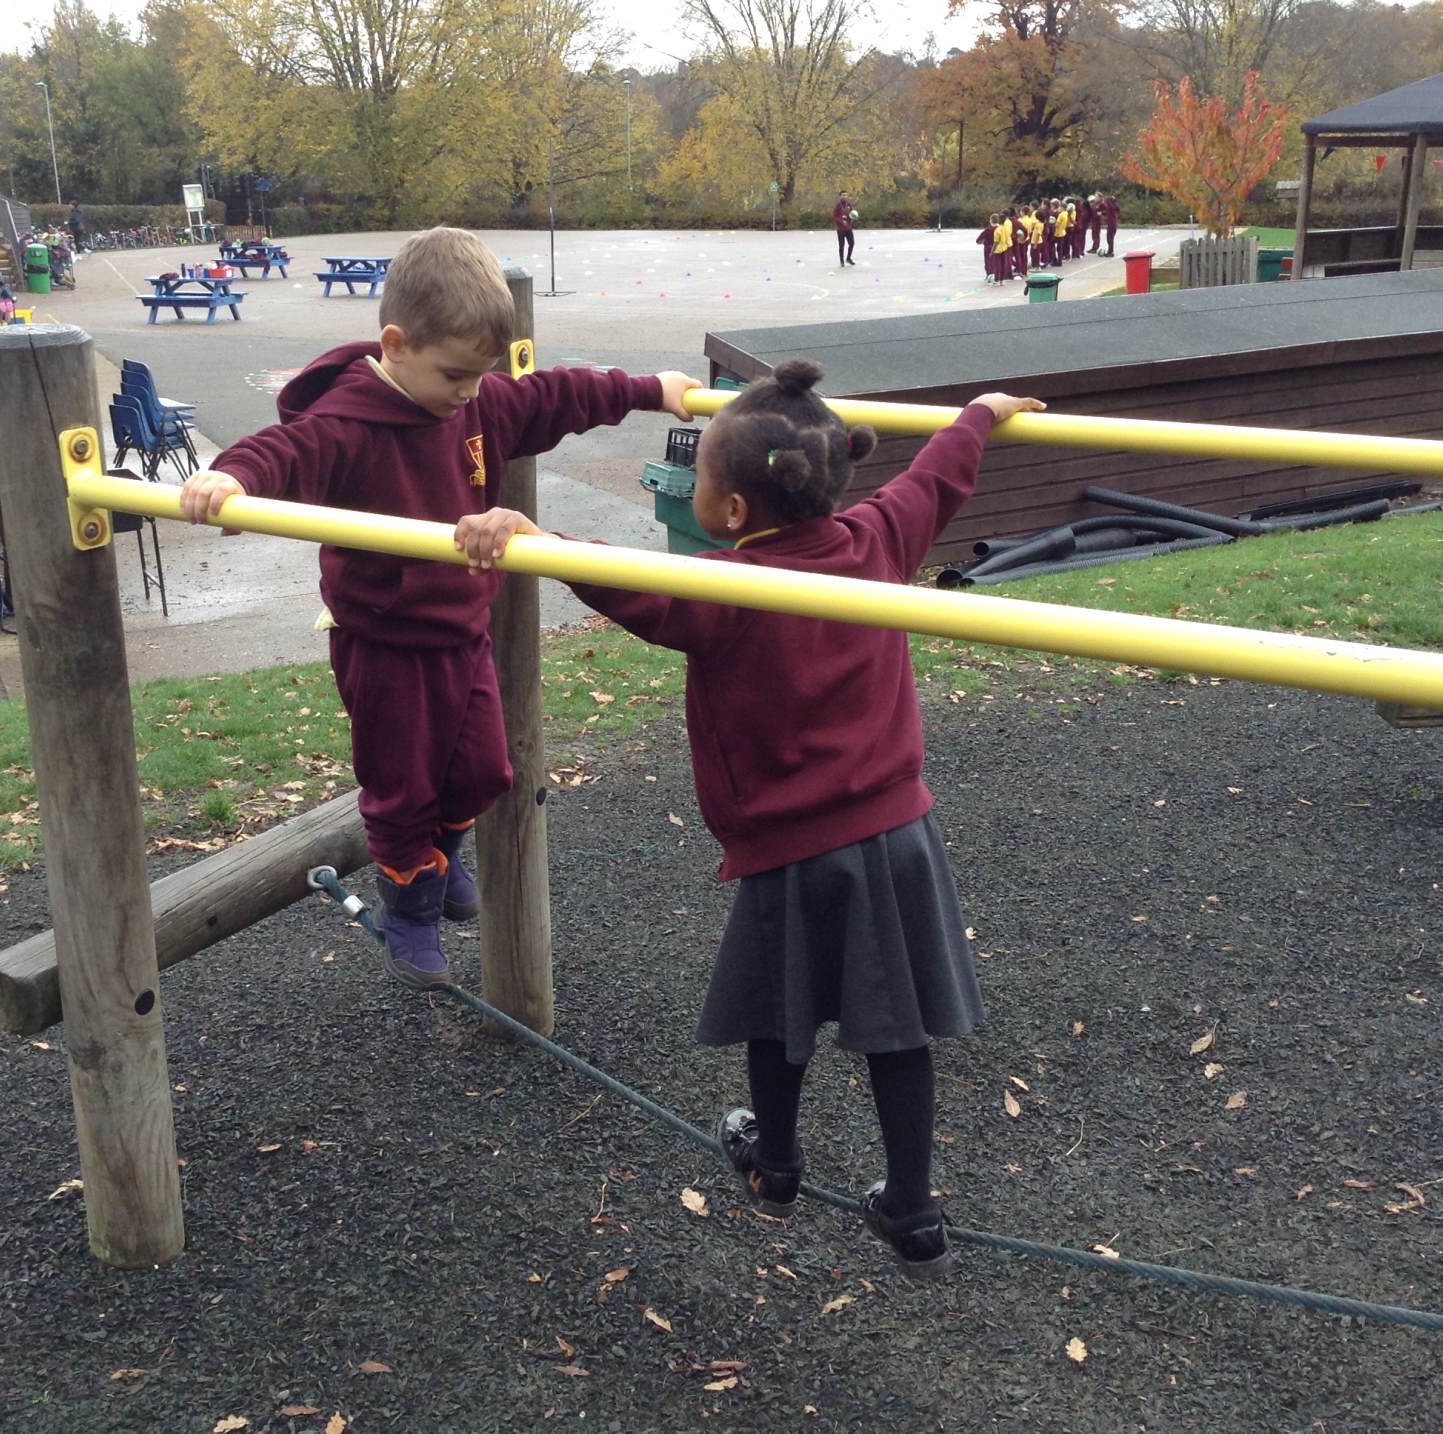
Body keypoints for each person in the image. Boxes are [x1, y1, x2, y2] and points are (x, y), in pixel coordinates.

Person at [453, 361, 1043, 1277]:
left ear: (729, 511)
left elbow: (616, 579)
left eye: (698, 480)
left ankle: (776, 1163)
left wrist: (537, 536)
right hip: (898, 836)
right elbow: (936, 476)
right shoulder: (880, 537)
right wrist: (977, 414)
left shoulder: (725, 589)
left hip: (792, 849)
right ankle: (914, 1210)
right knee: (898, 1026)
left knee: (779, 1010)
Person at [178, 226, 701, 990]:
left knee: (486, 771)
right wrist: (229, 478)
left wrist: (651, 389)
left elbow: (558, 394)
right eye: (455, 374)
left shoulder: (475, 400)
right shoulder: (350, 422)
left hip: (461, 632)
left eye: (480, 375)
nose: (468, 392)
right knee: (401, 788)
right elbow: (283, 452)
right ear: (395, 345)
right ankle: (410, 905)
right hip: (382, 640)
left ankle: (436, 860)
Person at [832, 191, 858, 267]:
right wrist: (841, 221)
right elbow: (834, 216)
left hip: (848, 228)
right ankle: (842, 261)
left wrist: (854, 217)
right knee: (841, 245)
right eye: (843, 195)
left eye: (846, 195)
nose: (844, 196)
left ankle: (848, 258)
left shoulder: (849, 204)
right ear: (840, 196)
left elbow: (851, 214)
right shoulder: (837, 205)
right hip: (840, 229)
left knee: (852, 243)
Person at [1100, 192, 1120, 257]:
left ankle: (1110, 252)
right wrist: (1103, 213)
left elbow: (1108, 209)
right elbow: (1106, 211)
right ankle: (1110, 251)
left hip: (1111, 224)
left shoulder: (1110, 206)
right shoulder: (1113, 206)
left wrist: (1108, 200)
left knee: (1110, 238)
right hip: (1113, 224)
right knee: (1110, 238)